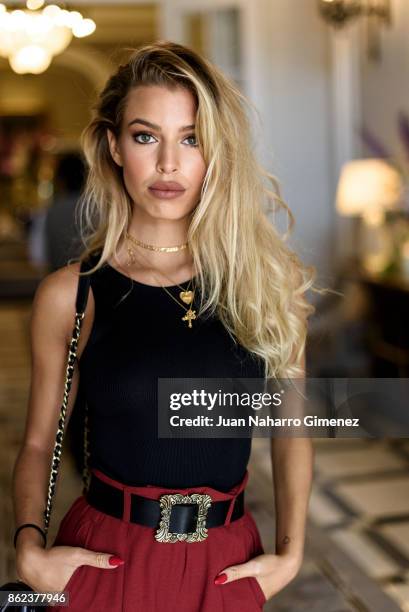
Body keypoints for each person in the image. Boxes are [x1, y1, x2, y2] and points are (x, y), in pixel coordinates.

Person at [12, 41, 317, 611]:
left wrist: (291, 553)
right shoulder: (72, 294)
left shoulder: (267, 283)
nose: (169, 164)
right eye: (146, 136)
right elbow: (37, 440)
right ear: (114, 146)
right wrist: (28, 547)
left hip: (225, 566)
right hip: (106, 557)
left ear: (216, 152)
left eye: (192, 138)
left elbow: (291, 427)